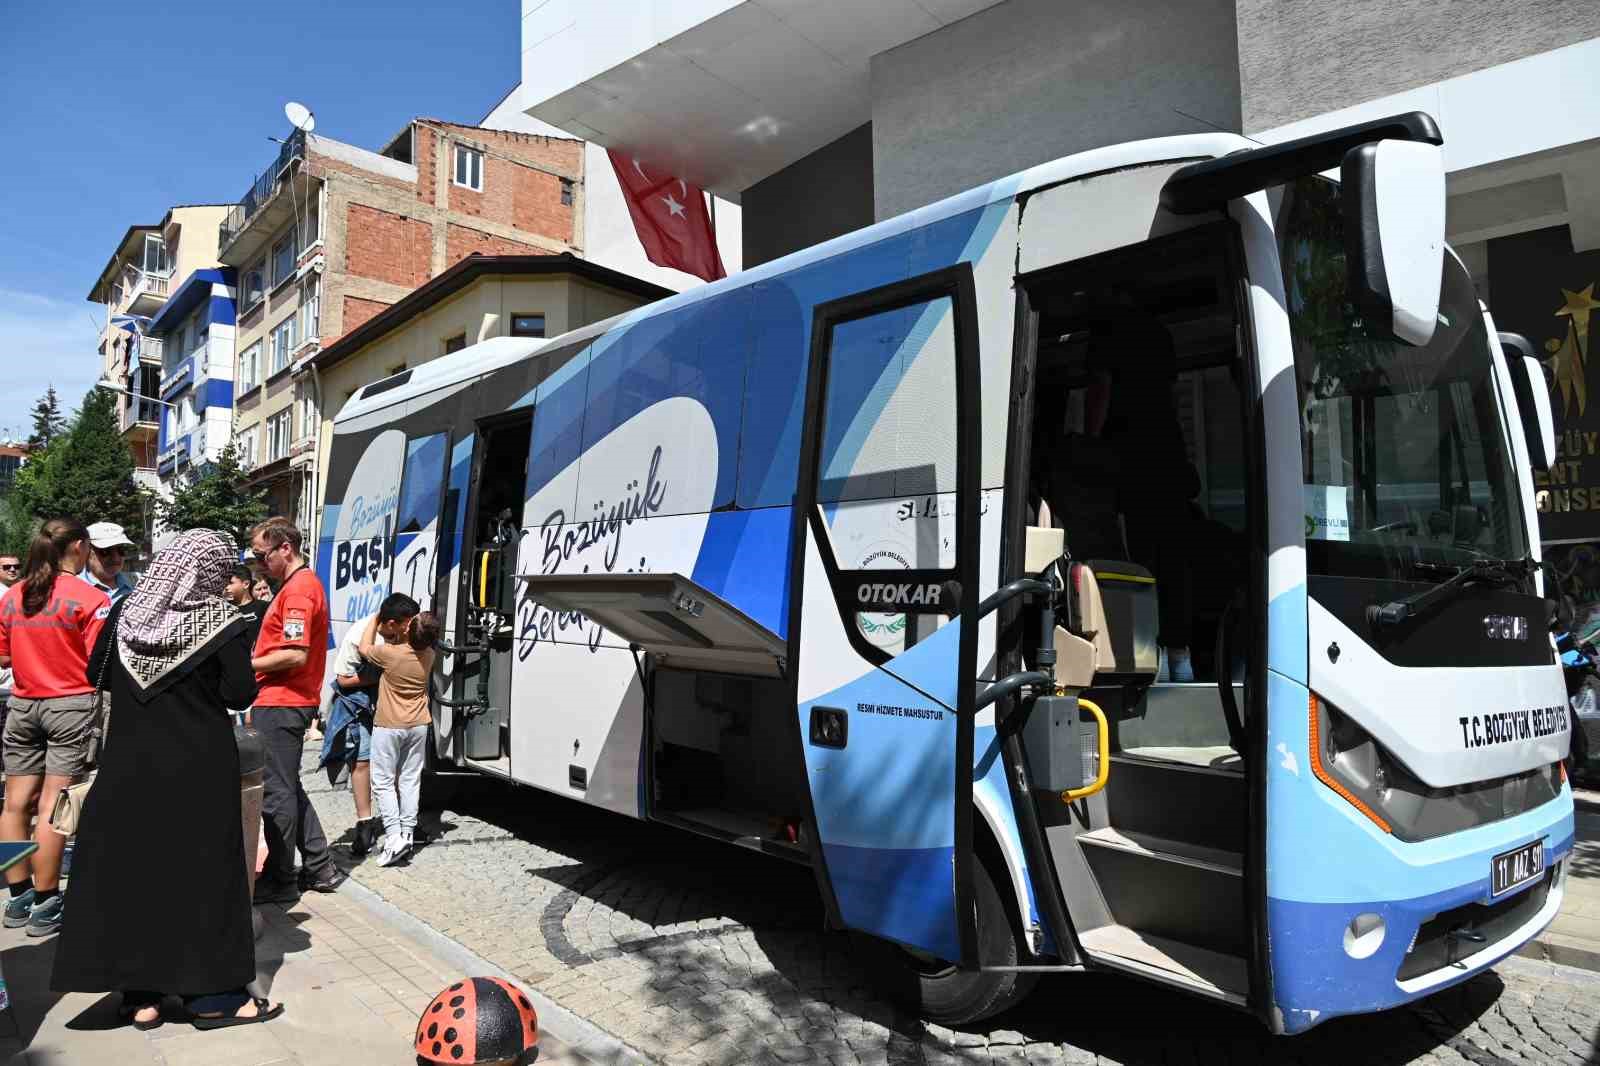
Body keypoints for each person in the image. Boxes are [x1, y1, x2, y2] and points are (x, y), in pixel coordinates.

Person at [51, 529, 283, 1031]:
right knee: (200, 881)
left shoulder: (124, 613)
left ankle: (143, 998)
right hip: (198, 773)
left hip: (130, 771)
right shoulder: (220, 621)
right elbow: (239, 693)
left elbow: (100, 673)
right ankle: (212, 998)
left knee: (138, 878)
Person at [0, 518, 110, 937]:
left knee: (14, 805)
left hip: (23, 703)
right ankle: (47, 902)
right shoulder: (90, 599)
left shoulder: (12, 597)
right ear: (79, 546)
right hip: (70, 705)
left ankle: (19, 895)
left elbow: (4, 657)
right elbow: (98, 661)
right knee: (54, 805)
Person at [1084, 311, 1197, 682]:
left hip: (1134, 466)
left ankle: (1153, 659)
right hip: (1168, 462)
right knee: (1175, 564)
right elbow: (1171, 389)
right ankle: (1180, 658)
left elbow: (1100, 392)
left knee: (1141, 566)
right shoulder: (1159, 331)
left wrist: (1091, 447)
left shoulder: (1108, 329)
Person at [248, 518, 343, 902]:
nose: (257, 564)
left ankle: (281, 878)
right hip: (284, 701)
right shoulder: (295, 587)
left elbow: (294, 652)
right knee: (288, 789)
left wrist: (247, 664)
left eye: (260, 555)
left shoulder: (299, 592)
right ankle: (320, 867)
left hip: (283, 701)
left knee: (276, 794)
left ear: (284, 547)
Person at [323, 595, 419, 857]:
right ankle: (365, 824)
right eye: (406, 626)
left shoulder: (407, 630)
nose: (410, 630)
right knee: (362, 761)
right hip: (361, 702)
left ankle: (399, 826)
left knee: (400, 764)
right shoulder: (358, 636)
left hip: (394, 702)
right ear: (390, 623)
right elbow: (342, 680)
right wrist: (376, 674)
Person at [358, 608, 439, 866]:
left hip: (390, 724)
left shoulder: (390, 655)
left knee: (382, 781)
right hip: (418, 724)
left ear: (407, 629)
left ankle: (393, 837)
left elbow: (363, 647)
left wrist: (375, 620)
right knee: (409, 780)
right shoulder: (430, 655)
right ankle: (407, 832)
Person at [83, 522, 137, 605]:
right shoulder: (73, 589)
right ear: (87, 551)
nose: (116, 558)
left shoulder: (139, 582)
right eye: (105, 551)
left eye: (120, 550)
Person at [226, 565, 268, 647]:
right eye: (225, 583)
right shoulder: (225, 609)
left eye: (231, 583)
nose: (227, 587)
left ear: (246, 584)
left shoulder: (263, 607)